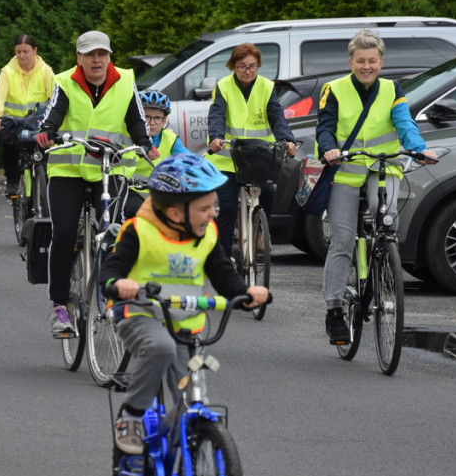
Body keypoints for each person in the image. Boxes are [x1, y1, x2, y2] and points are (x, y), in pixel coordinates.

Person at [100, 153, 269, 454]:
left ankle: (195, 474)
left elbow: (221, 272)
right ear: (177, 213)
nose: (213, 214)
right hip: (140, 315)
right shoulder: (139, 231)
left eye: (214, 206)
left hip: (184, 325)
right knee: (159, 348)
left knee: (191, 399)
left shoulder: (206, 234)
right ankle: (132, 415)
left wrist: (244, 294)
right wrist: (118, 285)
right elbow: (111, 271)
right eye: (205, 208)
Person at [316, 29, 436, 344]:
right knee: (341, 241)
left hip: (383, 166)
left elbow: (404, 123)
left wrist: (419, 148)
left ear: (381, 62)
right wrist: (328, 149)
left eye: (372, 61)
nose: (366, 66)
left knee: (385, 218)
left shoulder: (391, 89)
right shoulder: (335, 89)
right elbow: (325, 127)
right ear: (351, 61)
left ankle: (382, 259)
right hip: (345, 170)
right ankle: (334, 312)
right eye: (360, 61)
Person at [35, 30, 157, 337]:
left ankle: (116, 299)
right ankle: (59, 306)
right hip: (69, 172)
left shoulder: (126, 82)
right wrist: (47, 131)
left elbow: (136, 120)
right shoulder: (64, 82)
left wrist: (145, 142)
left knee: (115, 235)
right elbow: (54, 114)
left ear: (109, 57)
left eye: (102, 54)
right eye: (90, 54)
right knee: (63, 232)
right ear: (79, 58)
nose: (97, 60)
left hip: (110, 169)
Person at [205, 43, 296, 256]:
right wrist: (216, 137)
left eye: (252, 66)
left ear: (258, 66)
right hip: (228, 159)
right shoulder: (224, 86)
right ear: (233, 66)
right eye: (242, 66)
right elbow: (216, 115)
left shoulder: (266, 86)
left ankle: (260, 233)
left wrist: (287, 140)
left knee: (268, 194)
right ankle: (223, 258)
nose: (247, 71)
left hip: (258, 159)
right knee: (227, 208)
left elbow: (277, 117)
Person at [0, 34, 54, 196]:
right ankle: (12, 181)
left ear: (35, 51)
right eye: (18, 52)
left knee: (45, 149)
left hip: (38, 122)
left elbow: (55, 97)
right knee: (9, 144)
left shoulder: (45, 71)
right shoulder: (8, 72)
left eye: (26, 52)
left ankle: (46, 182)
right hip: (14, 122)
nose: (22, 56)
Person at [123, 89, 190, 217]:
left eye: (158, 118)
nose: (152, 123)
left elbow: (188, 161)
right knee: (138, 213)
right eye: (147, 117)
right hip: (131, 190)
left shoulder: (170, 139)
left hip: (160, 192)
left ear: (165, 120)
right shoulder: (127, 136)